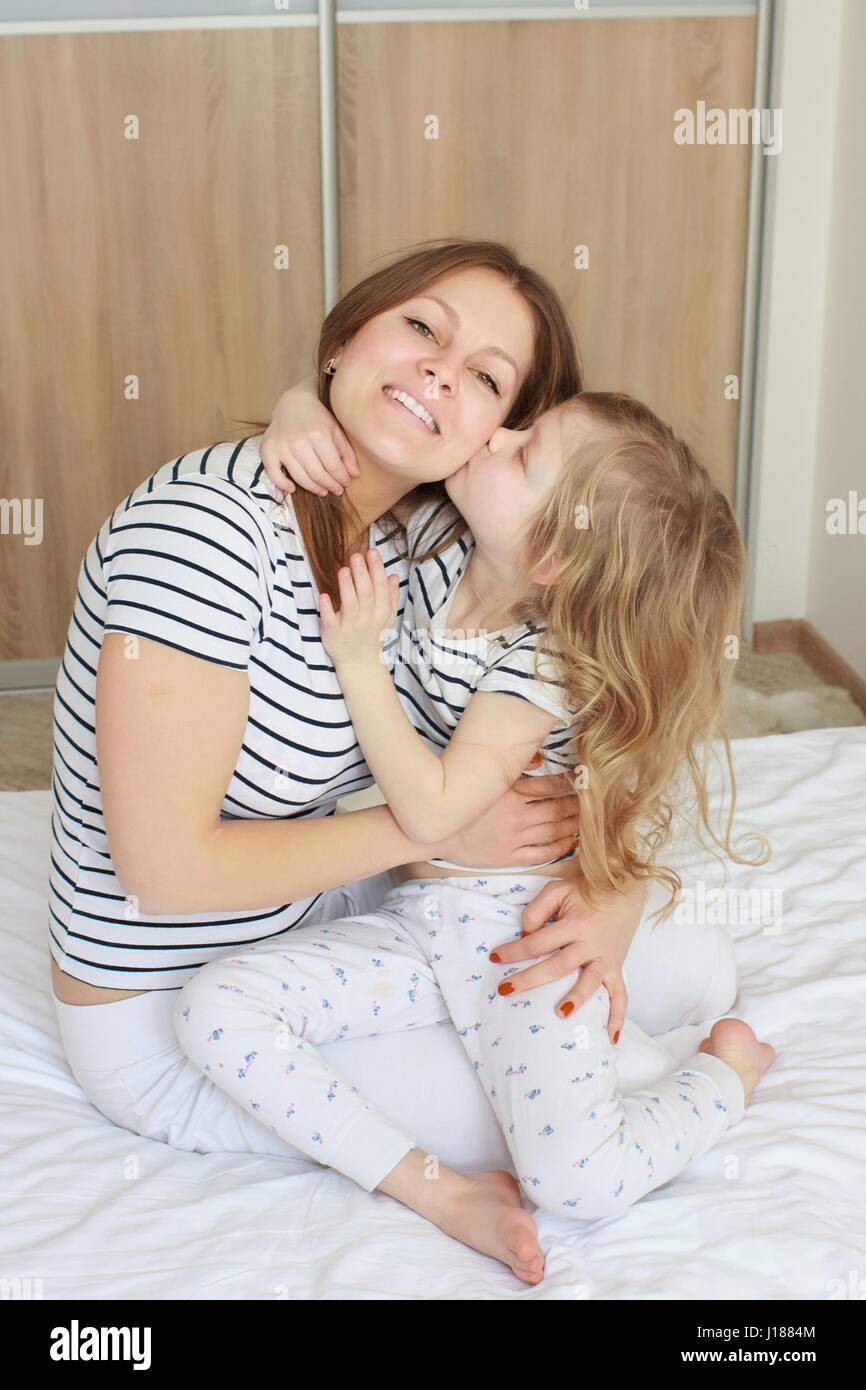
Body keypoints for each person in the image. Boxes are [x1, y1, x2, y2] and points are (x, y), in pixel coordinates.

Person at [174, 390, 775, 1284]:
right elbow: (342, 443)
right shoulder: (441, 538)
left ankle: (726, 1069)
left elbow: (433, 809)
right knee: (213, 1010)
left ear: (556, 556)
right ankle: (466, 1165)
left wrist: (358, 659)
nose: (496, 431)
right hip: (418, 911)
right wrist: (297, 408)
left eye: (524, 451)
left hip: (517, 941)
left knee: (579, 1183)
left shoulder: (540, 665)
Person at [50, 239, 613, 1169]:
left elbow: (621, 638)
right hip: (158, 1019)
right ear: (346, 336)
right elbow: (162, 875)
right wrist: (437, 836)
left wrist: (615, 912)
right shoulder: (202, 534)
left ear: (497, 437)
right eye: (422, 327)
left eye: (485, 377)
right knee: (555, 1114)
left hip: (304, 935)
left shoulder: (421, 534)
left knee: (641, 962)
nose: (439, 368)